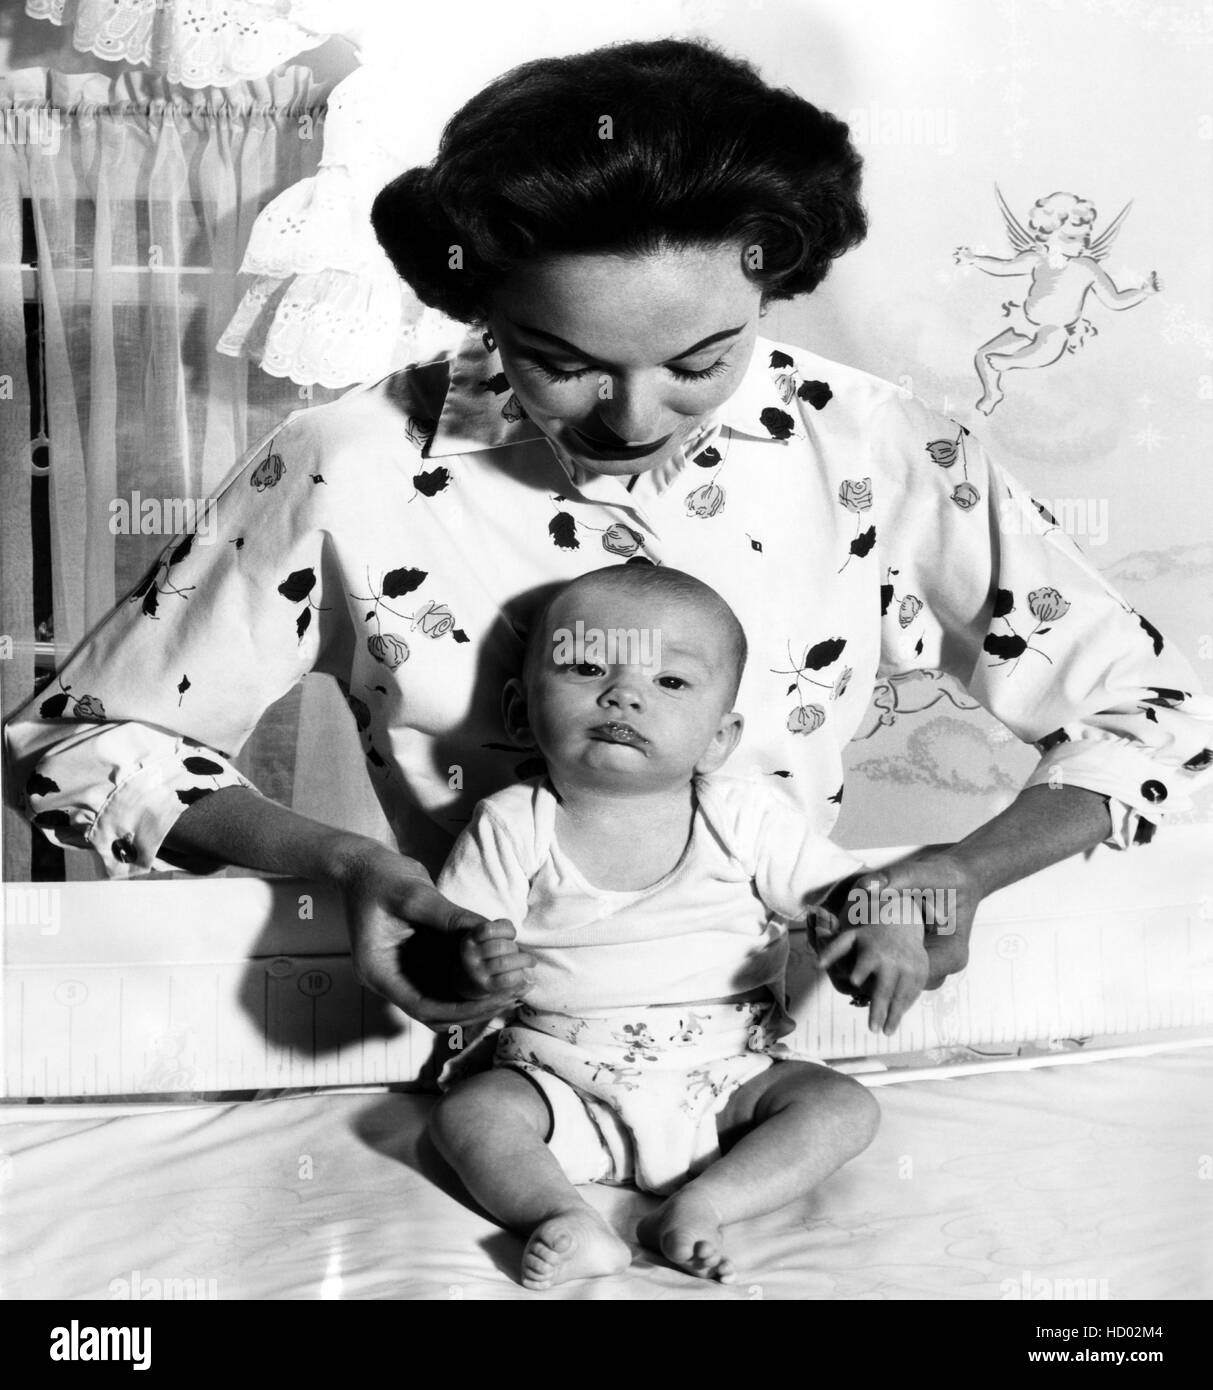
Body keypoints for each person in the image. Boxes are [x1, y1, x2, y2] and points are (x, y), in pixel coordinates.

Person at [4, 39, 1211, 1034]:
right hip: (487, 1025)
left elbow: (1153, 709)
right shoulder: (348, 462)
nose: (634, 418)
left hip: (774, 1019)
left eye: (700, 362)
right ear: (480, 300)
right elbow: (82, 741)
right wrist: (346, 864)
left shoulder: (879, 450)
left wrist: (961, 870)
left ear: (766, 287)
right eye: (561, 362)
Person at [430, 564, 882, 1288]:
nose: (624, 693)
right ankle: (562, 1215)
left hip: (731, 1081)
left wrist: (882, 918)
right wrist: (471, 966)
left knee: (841, 1106)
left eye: (670, 683)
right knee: (470, 1115)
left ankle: (707, 1203)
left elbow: (848, 892)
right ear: (519, 711)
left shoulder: (746, 818)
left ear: (718, 737)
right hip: (557, 1079)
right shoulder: (512, 825)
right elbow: (450, 945)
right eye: (584, 666)